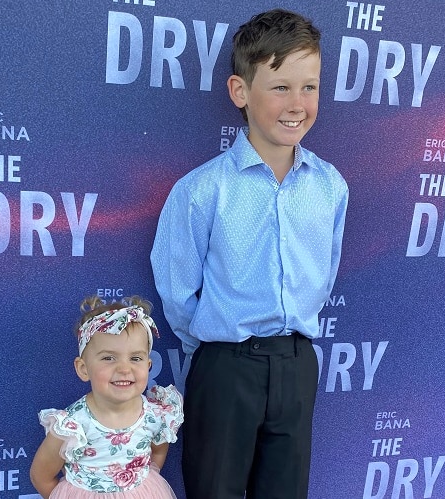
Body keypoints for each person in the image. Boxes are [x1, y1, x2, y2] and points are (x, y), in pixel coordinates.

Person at [150, 8, 348, 499]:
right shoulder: (202, 190)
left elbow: (324, 275)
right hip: (226, 366)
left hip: (297, 364)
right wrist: (219, 349)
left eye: (310, 86)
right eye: (280, 87)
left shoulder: (329, 186)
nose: (297, 103)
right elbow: (178, 291)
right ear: (241, 91)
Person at [29, 295, 183, 498]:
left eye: (135, 358)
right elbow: (41, 475)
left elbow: (159, 451)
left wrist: (144, 483)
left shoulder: (156, 414)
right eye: (109, 358)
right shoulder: (73, 424)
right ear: (84, 369)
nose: (124, 368)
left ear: (148, 366)